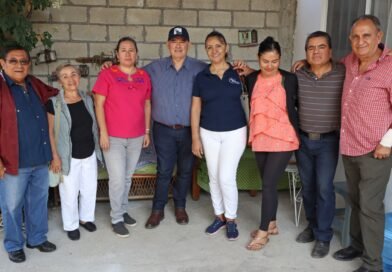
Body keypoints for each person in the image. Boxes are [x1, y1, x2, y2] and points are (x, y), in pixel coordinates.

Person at [331, 15, 392, 272]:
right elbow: (328, 63)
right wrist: (305, 62)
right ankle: (356, 245)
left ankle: (372, 264)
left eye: (366, 35)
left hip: (375, 151)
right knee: (356, 201)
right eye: (355, 36)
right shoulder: (349, 63)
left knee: (369, 207)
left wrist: (388, 143)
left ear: (379, 37)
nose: (360, 41)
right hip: (350, 146)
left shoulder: (389, 67)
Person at [0, 44, 58, 263]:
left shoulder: (34, 85)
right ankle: (14, 244)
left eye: (23, 61)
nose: (19, 65)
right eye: (13, 61)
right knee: (12, 206)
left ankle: (36, 238)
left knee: (37, 202)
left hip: (40, 158)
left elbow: (56, 93)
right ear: (2, 63)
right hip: (12, 161)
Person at [93, 37, 151, 238]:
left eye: (131, 50)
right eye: (123, 50)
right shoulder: (107, 75)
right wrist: (103, 132)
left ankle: (123, 210)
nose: (127, 54)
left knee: (127, 178)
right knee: (117, 179)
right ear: (116, 54)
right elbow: (99, 104)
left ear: (136, 54)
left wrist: (146, 131)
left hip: (136, 136)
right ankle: (116, 218)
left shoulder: (144, 76)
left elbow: (146, 104)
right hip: (113, 137)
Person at [191, 31, 247, 241]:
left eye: (218, 46)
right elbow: (195, 107)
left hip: (235, 132)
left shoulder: (239, 73)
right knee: (214, 176)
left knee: (226, 176)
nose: (214, 50)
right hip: (208, 132)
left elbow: (265, 75)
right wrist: (195, 137)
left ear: (226, 47)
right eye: (209, 47)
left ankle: (231, 219)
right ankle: (219, 216)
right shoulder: (201, 76)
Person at [245, 37, 300, 251]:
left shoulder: (289, 79)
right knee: (267, 182)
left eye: (275, 61)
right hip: (261, 136)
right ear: (258, 59)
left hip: (284, 137)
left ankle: (263, 232)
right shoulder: (251, 79)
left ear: (280, 59)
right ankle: (272, 223)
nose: (269, 66)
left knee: (268, 184)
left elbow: (298, 105)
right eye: (265, 61)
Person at [294, 31, 345, 258]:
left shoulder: (343, 72)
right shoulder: (299, 74)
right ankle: (312, 226)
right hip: (303, 140)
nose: (316, 51)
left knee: (324, 188)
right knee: (308, 187)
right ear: (306, 53)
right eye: (311, 48)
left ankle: (324, 236)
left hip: (328, 141)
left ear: (330, 51)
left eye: (321, 47)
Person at [47, 64, 103, 241]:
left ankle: (86, 218)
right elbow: (50, 132)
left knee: (89, 188)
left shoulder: (87, 99)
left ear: (79, 77)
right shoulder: (54, 103)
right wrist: (54, 156)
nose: (70, 79)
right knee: (69, 193)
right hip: (67, 156)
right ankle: (71, 224)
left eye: (74, 75)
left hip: (89, 152)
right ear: (59, 81)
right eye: (65, 76)